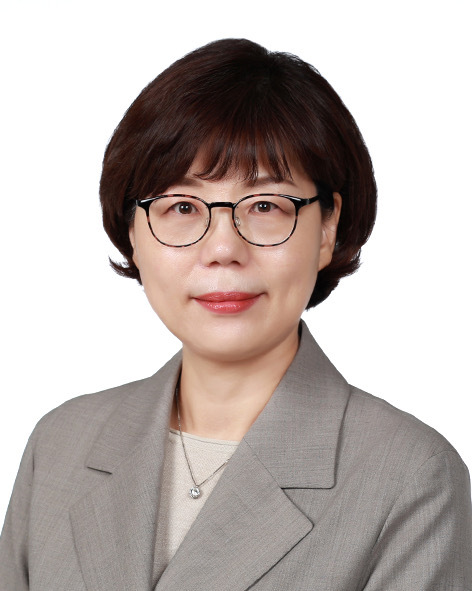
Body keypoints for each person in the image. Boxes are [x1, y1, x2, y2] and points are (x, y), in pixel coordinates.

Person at [0, 38, 471, 591]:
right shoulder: (59, 445)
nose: (223, 249)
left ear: (327, 228)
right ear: (132, 234)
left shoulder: (411, 477)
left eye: (265, 206)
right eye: (181, 207)